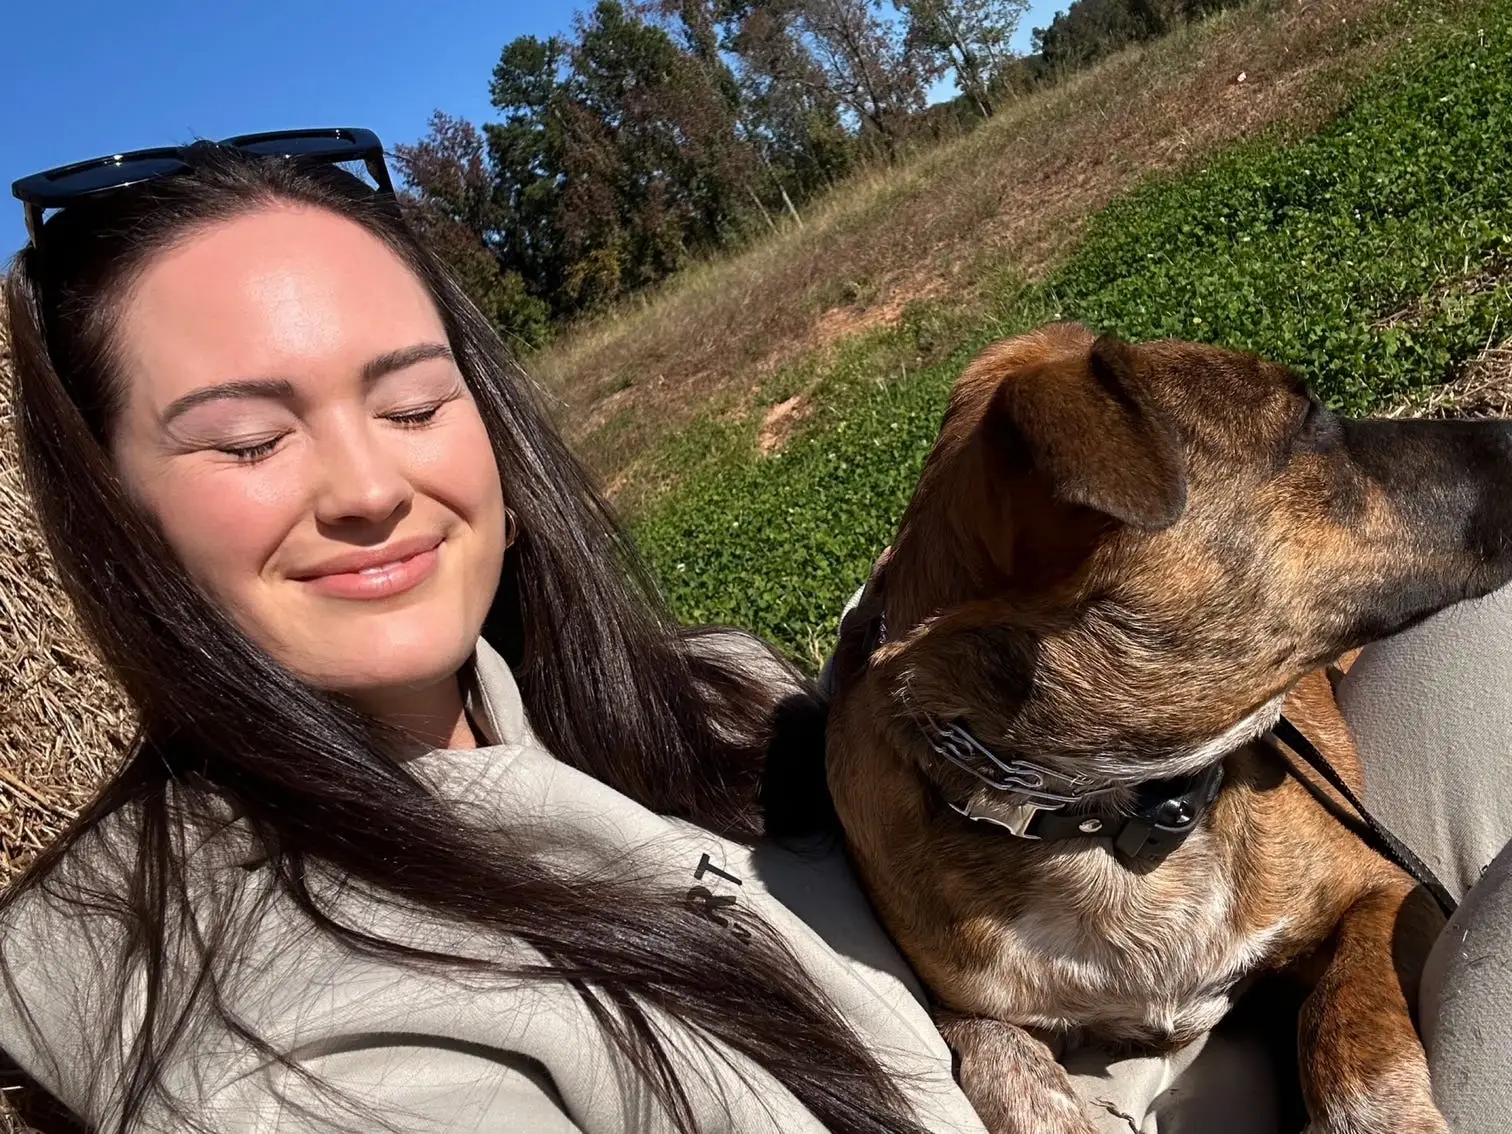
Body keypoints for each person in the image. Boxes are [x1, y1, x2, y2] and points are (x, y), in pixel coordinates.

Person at [0, 130, 1506, 1134]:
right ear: (104, 509)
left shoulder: (702, 697)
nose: (372, 486)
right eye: (249, 441)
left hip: (1219, 992)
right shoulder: (301, 1051)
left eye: (411, 400)